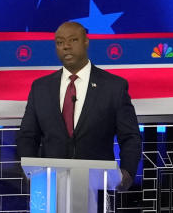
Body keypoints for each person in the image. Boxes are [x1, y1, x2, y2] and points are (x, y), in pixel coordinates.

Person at [17, 21, 141, 189]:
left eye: (73, 40)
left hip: (97, 187)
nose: (66, 47)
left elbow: (130, 136)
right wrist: (31, 172)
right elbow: (27, 135)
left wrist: (127, 173)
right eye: (60, 43)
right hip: (50, 186)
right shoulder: (41, 88)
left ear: (86, 42)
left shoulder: (113, 87)